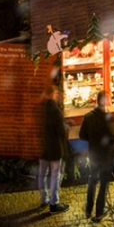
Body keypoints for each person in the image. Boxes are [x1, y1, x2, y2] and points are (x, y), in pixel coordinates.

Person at [80, 99, 114, 221]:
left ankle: (88, 209)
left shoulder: (88, 117)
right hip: (107, 155)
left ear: (96, 101)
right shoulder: (110, 118)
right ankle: (99, 212)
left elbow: (82, 135)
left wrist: (93, 139)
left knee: (92, 179)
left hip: (94, 154)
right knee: (103, 182)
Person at [36, 77, 68, 214]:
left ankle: (44, 199)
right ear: (52, 95)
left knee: (42, 173)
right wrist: (67, 126)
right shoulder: (56, 112)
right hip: (54, 148)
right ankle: (54, 204)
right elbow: (61, 131)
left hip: (43, 147)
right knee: (55, 175)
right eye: (56, 94)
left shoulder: (41, 108)